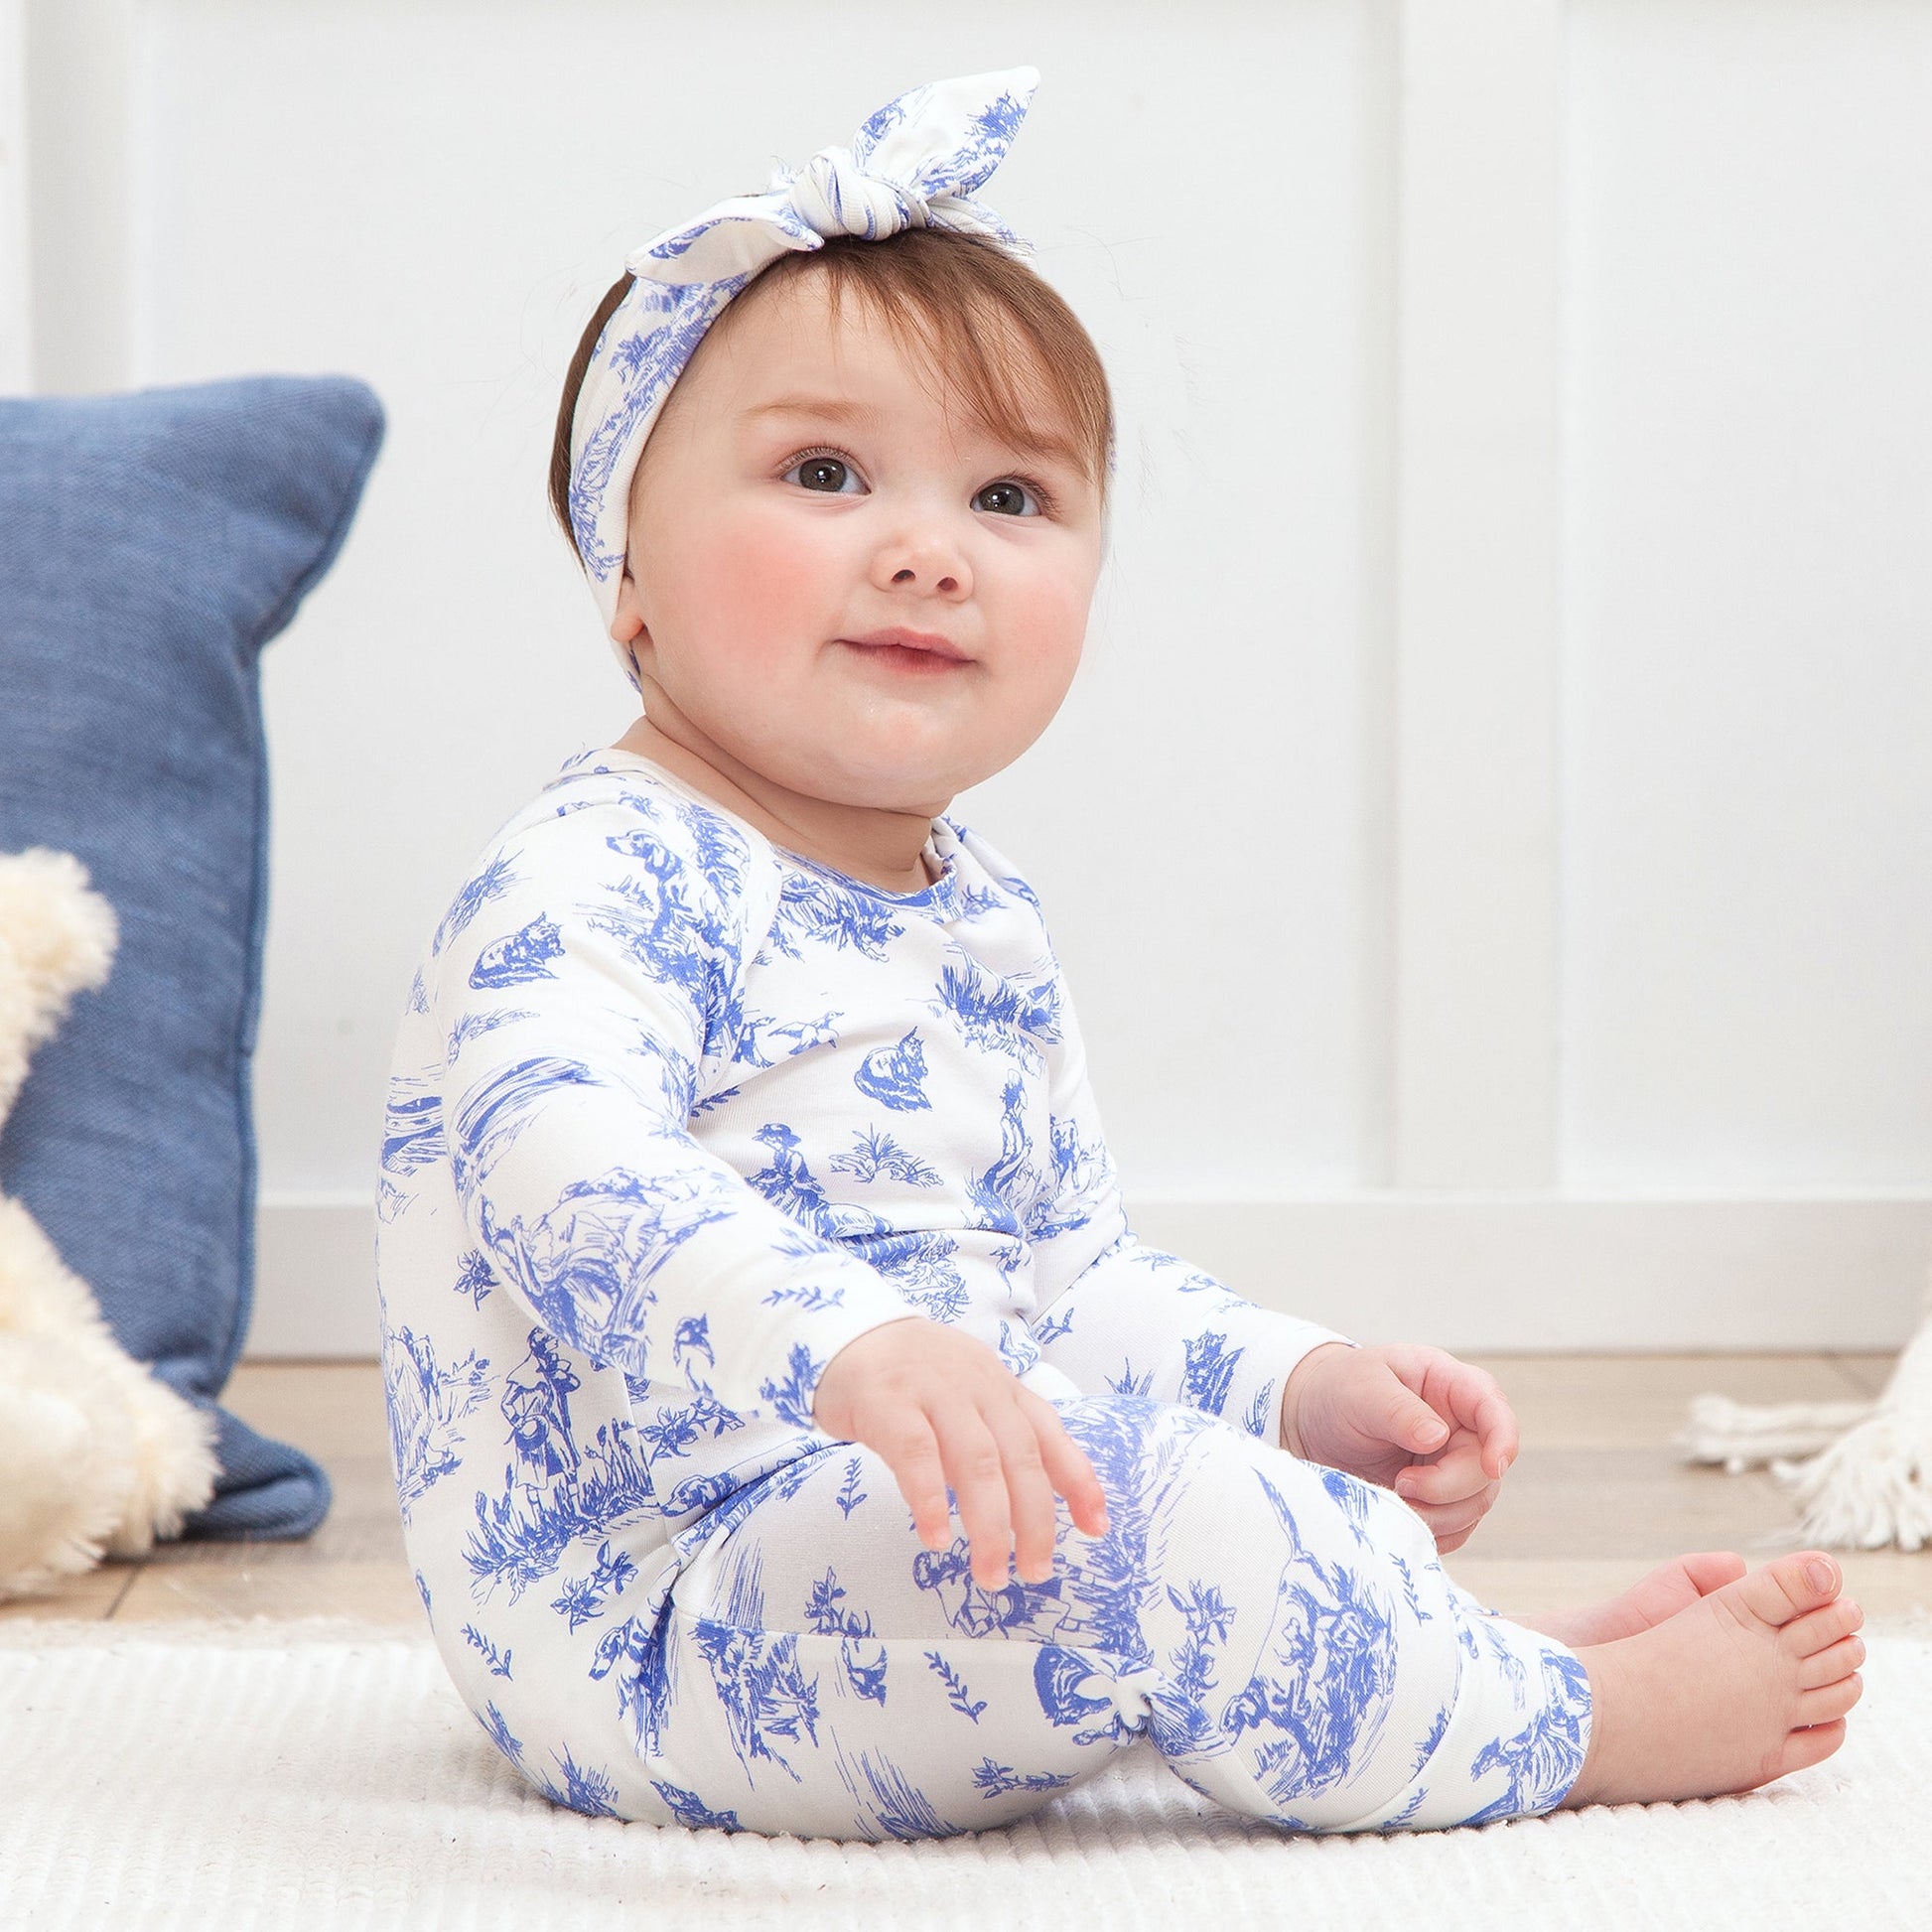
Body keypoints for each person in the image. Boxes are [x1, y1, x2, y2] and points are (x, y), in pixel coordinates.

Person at [374, 69, 1863, 1839]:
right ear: (623, 563)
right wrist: (853, 1342)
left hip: (898, 1548)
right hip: (671, 1612)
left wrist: (1297, 1385)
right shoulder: (592, 870)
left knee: (1199, 1483)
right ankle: (1567, 1722)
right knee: (1156, 1523)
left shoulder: (975, 915)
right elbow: (567, 1171)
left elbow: (1063, 1280)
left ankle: (1434, 1654)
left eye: (1009, 497)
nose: (928, 551)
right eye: (826, 472)